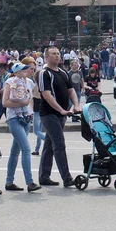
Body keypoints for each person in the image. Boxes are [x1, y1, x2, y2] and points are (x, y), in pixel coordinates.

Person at [38, 47, 80, 188]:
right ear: (46, 57)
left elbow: (71, 90)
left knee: (49, 145)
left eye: (58, 54)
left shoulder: (63, 72)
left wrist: (76, 105)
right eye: (53, 54)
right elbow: (46, 95)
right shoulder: (44, 73)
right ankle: (67, 178)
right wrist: (61, 110)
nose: (57, 56)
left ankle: (44, 176)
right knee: (59, 144)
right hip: (49, 114)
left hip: (62, 114)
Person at [2, 63, 42, 193]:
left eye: (30, 69)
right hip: (14, 118)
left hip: (26, 117)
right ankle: (29, 182)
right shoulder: (10, 81)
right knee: (26, 148)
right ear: (18, 71)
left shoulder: (29, 82)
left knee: (15, 151)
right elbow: (4, 102)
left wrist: (30, 110)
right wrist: (22, 102)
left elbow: (32, 98)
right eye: (27, 69)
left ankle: (9, 182)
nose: (29, 71)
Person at [31, 69, 45, 156]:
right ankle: (37, 149)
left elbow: (32, 98)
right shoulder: (43, 85)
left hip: (37, 110)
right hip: (42, 110)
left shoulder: (35, 86)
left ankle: (49, 141)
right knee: (39, 130)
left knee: (36, 131)